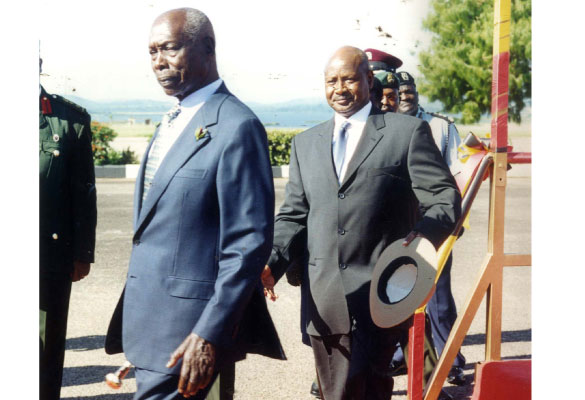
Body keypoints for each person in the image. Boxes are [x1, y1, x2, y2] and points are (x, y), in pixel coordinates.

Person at [261, 46, 461, 400]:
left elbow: (444, 198)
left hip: (381, 295)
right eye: (331, 81)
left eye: (349, 78)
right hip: (324, 299)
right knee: (336, 392)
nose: (339, 88)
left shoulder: (406, 133)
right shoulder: (305, 144)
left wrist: (418, 242)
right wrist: (271, 264)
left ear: (369, 80)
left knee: (366, 390)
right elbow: (293, 215)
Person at [106, 8, 284, 399]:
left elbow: (247, 244)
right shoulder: (173, 119)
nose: (158, 62)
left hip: (189, 333)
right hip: (152, 328)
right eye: (151, 52)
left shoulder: (236, 126)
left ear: (207, 48)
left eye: (168, 48)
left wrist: (209, 333)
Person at [394, 70, 466, 385]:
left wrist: (455, 220)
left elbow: (458, 175)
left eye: (410, 89)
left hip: (433, 220)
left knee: (438, 297)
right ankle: (401, 358)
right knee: (397, 291)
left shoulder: (440, 127)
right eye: (400, 90)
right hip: (396, 221)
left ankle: (451, 359)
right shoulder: (384, 125)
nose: (405, 95)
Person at [39, 62, 97, 399]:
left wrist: (82, 252)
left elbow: (83, 193)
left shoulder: (69, 120)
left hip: (48, 259)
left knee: (44, 355)